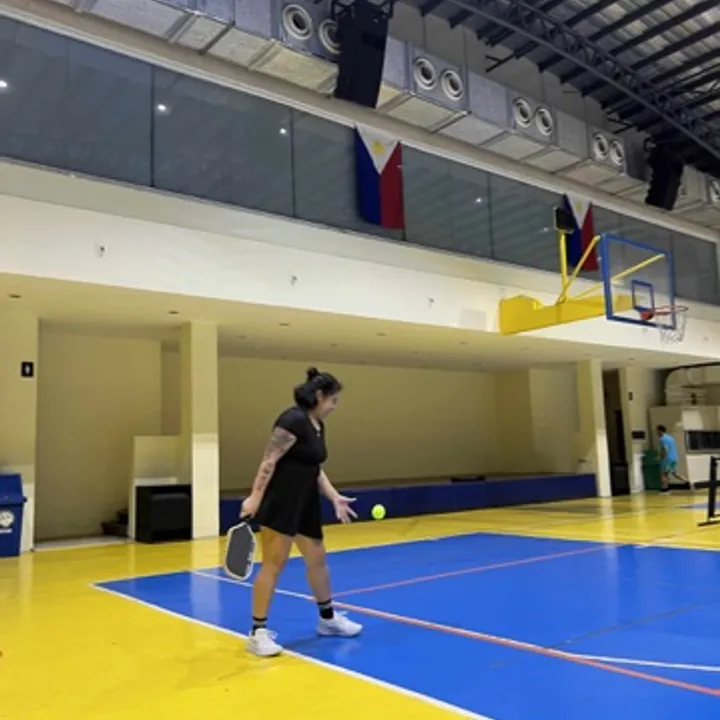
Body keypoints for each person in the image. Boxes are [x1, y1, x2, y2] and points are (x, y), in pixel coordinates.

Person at [241, 367, 362, 657]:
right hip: (282, 502)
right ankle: (257, 633)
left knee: (317, 560)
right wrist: (255, 496)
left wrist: (334, 497)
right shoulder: (292, 420)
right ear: (319, 396)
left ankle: (327, 619)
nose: (335, 406)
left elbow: (314, 467)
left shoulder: (317, 425)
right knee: (274, 564)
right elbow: (269, 460)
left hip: (306, 503)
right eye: (333, 400)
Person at [656, 424, 693, 493]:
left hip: (667, 459)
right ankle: (687, 481)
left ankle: (665, 488)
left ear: (660, 430)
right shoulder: (671, 438)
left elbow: (665, 449)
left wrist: (660, 457)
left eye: (657, 430)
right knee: (674, 473)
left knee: (664, 474)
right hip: (674, 458)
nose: (656, 432)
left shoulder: (662, 439)